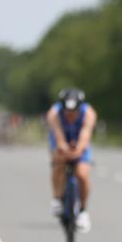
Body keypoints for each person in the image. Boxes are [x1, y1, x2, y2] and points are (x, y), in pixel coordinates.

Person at [47, 89, 97, 232]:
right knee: (58, 162)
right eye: (67, 112)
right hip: (61, 140)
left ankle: (83, 211)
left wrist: (78, 151)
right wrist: (64, 149)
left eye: (73, 112)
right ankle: (57, 198)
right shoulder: (54, 114)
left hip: (80, 142)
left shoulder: (89, 113)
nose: (70, 115)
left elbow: (85, 134)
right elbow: (58, 136)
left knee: (82, 174)